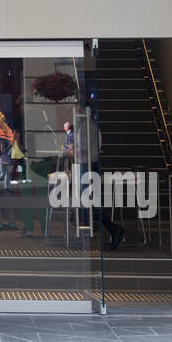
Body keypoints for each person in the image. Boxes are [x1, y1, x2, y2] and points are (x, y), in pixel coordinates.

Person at [64, 108, 124, 251]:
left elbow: (87, 149)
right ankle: (111, 229)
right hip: (89, 165)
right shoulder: (89, 126)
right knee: (89, 201)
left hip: (88, 166)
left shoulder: (87, 127)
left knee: (89, 201)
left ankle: (111, 229)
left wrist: (74, 151)